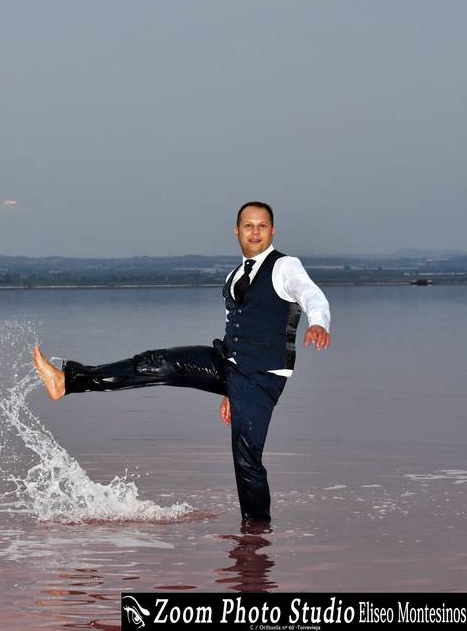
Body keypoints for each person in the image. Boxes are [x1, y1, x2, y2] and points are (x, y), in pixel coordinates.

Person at [33, 202, 331, 528]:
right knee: (156, 363)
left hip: (262, 376)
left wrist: (319, 323)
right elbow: (240, 330)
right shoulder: (236, 274)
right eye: (248, 226)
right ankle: (69, 381)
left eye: (262, 226)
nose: (255, 232)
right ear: (237, 231)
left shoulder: (284, 266)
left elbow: (311, 294)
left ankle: (256, 536)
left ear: (272, 231)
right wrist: (229, 388)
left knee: (246, 458)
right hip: (229, 365)